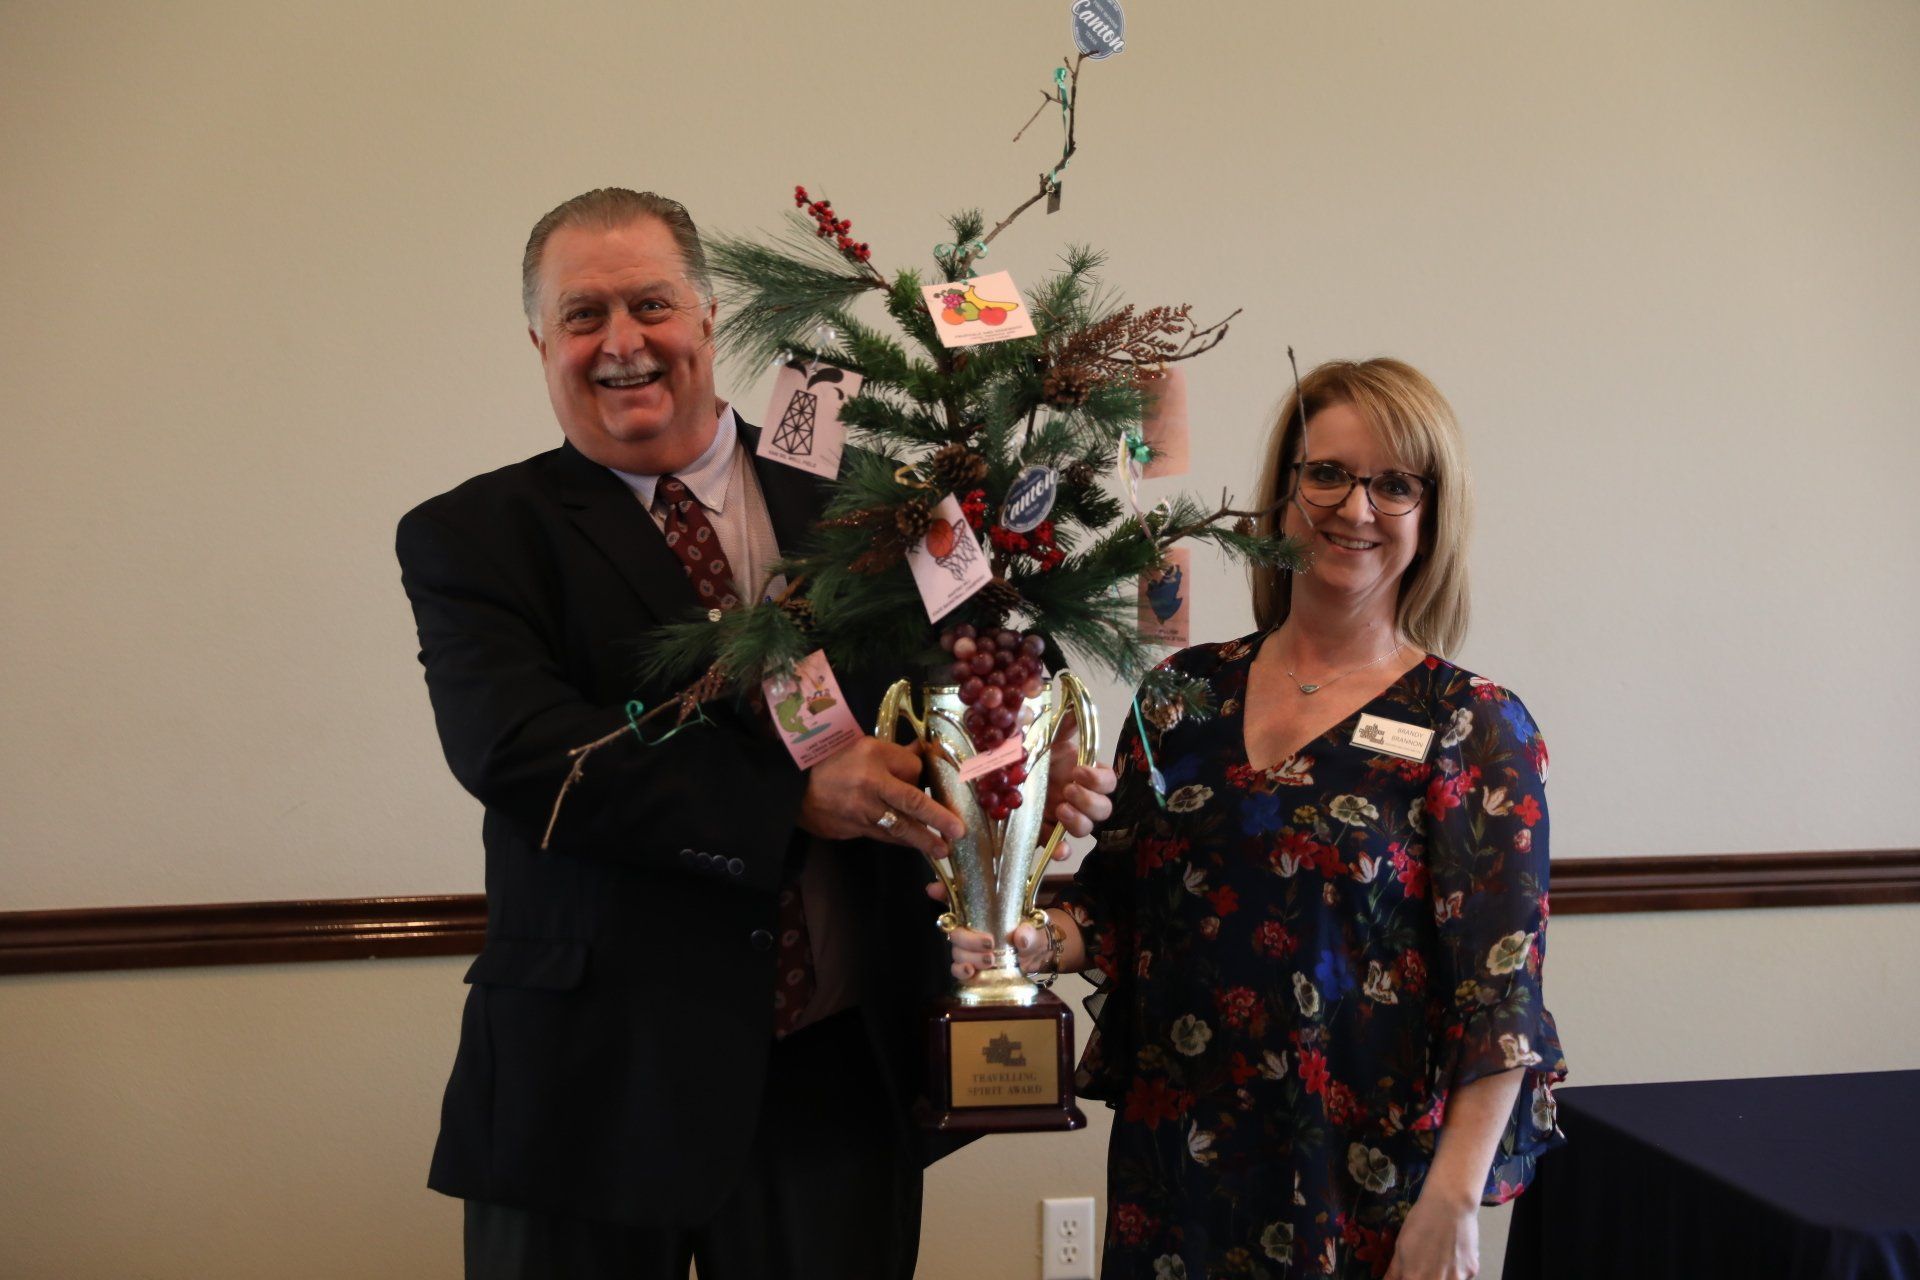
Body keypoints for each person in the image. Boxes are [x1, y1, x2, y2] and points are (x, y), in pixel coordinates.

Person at [396, 188, 1112, 1280]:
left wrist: (1035, 736)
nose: (622, 341)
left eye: (651, 304)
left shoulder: (877, 496)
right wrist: (789, 794)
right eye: (583, 315)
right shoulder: (473, 536)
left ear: (710, 312)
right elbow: (521, 749)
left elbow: (994, 644)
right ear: (540, 338)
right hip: (592, 1082)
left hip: (834, 1071)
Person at [949, 358, 1568, 1279]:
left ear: (1431, 515)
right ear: (1283, 494)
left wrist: (1450, 1202)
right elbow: (1121, 914)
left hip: (1361, 1188)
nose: (1354, 509)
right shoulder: (1179, 695)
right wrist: (1026, 942)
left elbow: (1499, 995)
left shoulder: (1471, 724)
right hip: (1178, 1173)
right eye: (1327, 474)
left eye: (1393, 485)